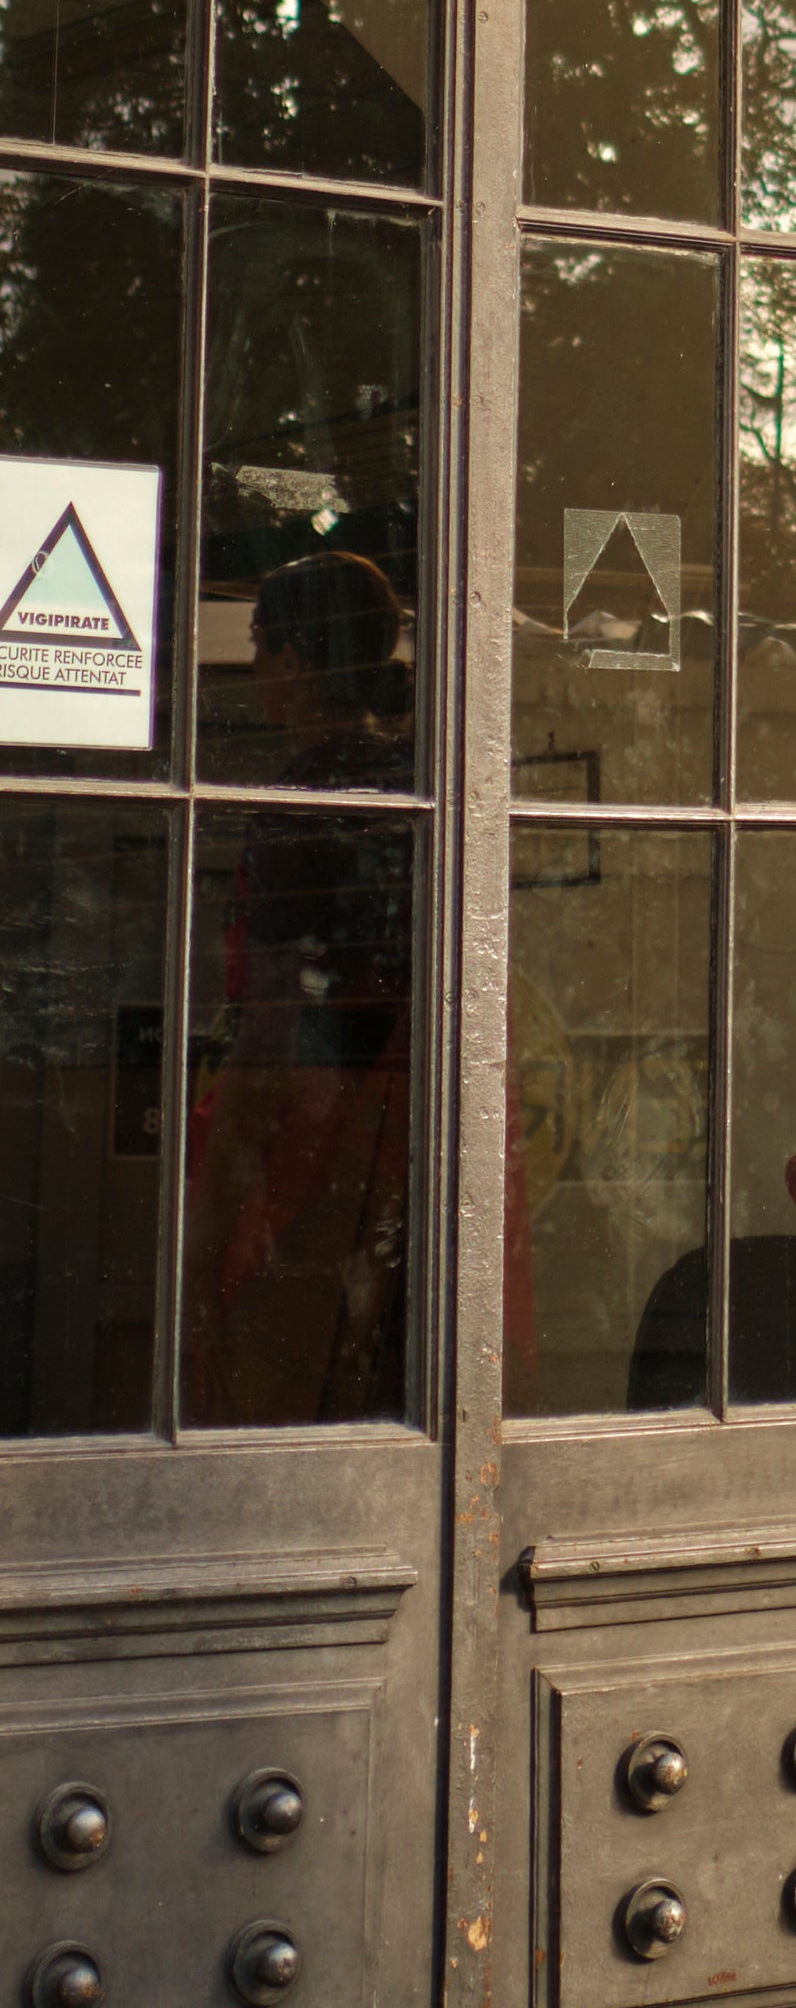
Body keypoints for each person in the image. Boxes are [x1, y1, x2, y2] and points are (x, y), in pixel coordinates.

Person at [182, 551, 414, 1425]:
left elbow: (270, 1042)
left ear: (305, 660)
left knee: (267, 1415)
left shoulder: (300, 803)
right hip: (419, 1151)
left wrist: (201, 1266)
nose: (254, 669)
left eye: (264, 646)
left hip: (312, 1157)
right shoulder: (417, 780)